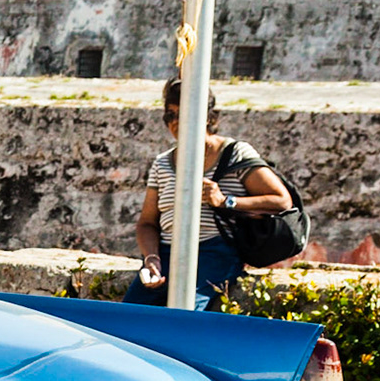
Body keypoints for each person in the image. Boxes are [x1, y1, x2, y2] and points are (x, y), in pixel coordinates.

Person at [124, 77, 292, 309]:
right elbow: (147, 223)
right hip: (165, 253)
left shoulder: (234, 154)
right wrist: (151, 258)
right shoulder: (162, 163)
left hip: (214, 250)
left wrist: (225, 201)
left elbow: (281, 201)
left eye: (184, 114)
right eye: (170, 116)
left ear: (208, 117)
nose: (176, 122)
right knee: (130, 316)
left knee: (184, 314)